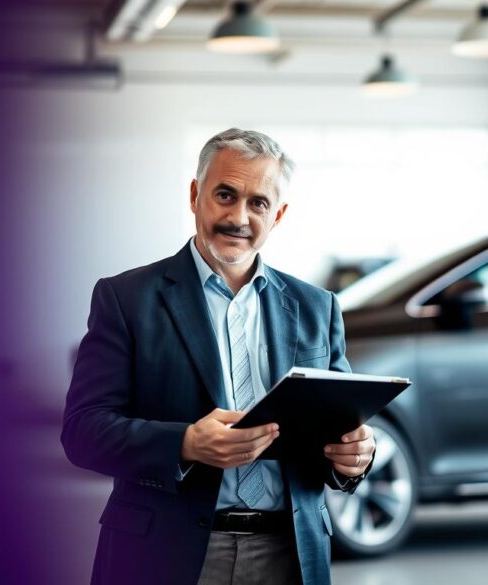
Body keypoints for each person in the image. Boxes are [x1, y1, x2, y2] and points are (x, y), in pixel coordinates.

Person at [62, 128, 375, 585]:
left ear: (279, 214)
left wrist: (354, 457)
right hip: (164, 554)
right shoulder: (126, 299)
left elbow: (339, 429)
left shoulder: (317, 307)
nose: (239, 217)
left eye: (258, 203)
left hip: (290, 557)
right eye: (225, 195)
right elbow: (83, 431)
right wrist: (186, 443)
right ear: (195, 195)